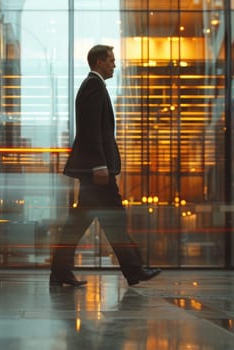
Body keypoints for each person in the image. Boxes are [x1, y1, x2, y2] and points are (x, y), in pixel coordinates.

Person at [50, 45, 162, 287]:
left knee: (80, 221)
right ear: (99, 62)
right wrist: (100, 165)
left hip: (94, 169)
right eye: (111, 60)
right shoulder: (94, 86)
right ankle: (134, 270)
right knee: (114, 219)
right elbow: (91, 130)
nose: (114, 64)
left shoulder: (95, 85)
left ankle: (60, 270)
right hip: (97, 171)